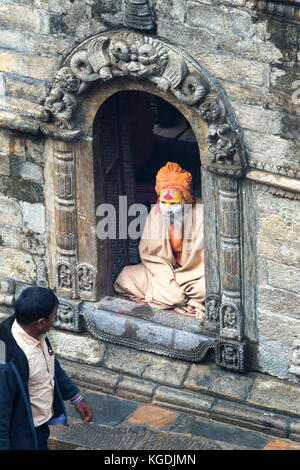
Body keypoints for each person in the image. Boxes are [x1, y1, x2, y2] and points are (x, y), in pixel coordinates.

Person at [0, 286, 93, 450]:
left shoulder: (35, 332)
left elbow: (51, 365)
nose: (54, 321)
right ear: (41, 322)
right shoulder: (6, 361)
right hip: (21, 437)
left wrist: (75, 397)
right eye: (53, 317)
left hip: (40, 428)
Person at [114, 161, 206, 320]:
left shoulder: (202, 215)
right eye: (164, 203)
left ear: (186, 202)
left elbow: (204, 263)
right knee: (126, 277)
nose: (168, 210)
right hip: (164, 274)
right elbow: (151, 257)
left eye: (174, 204)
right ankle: (179, 300)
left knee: (205, 289)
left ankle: (170, 298)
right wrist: (168, 281)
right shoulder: (157, 213)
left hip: (194, 277)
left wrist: (177, 283)